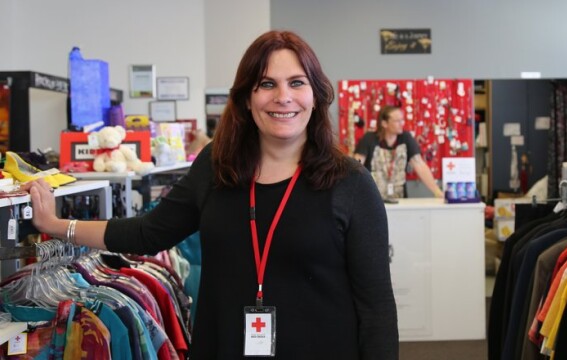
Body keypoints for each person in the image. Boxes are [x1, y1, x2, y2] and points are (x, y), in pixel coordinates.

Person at [23, 30, 399, 359]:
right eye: (267, 84)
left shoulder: (350, 184)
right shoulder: (217, 167)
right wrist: (56, 225)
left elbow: (377, 307)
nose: (283, 97)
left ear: (316, 95)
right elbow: (147, 233)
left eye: (297, 83)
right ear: (247, 98)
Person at [353, 105, 444, 199]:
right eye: (397, 121)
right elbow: (356, 166)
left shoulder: (406, 138)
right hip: (372, 200)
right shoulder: (369, 138)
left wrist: (437, 192)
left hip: (400, 199)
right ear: (384, 123)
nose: (402, 123)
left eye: (402, 120)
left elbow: (419, 164)